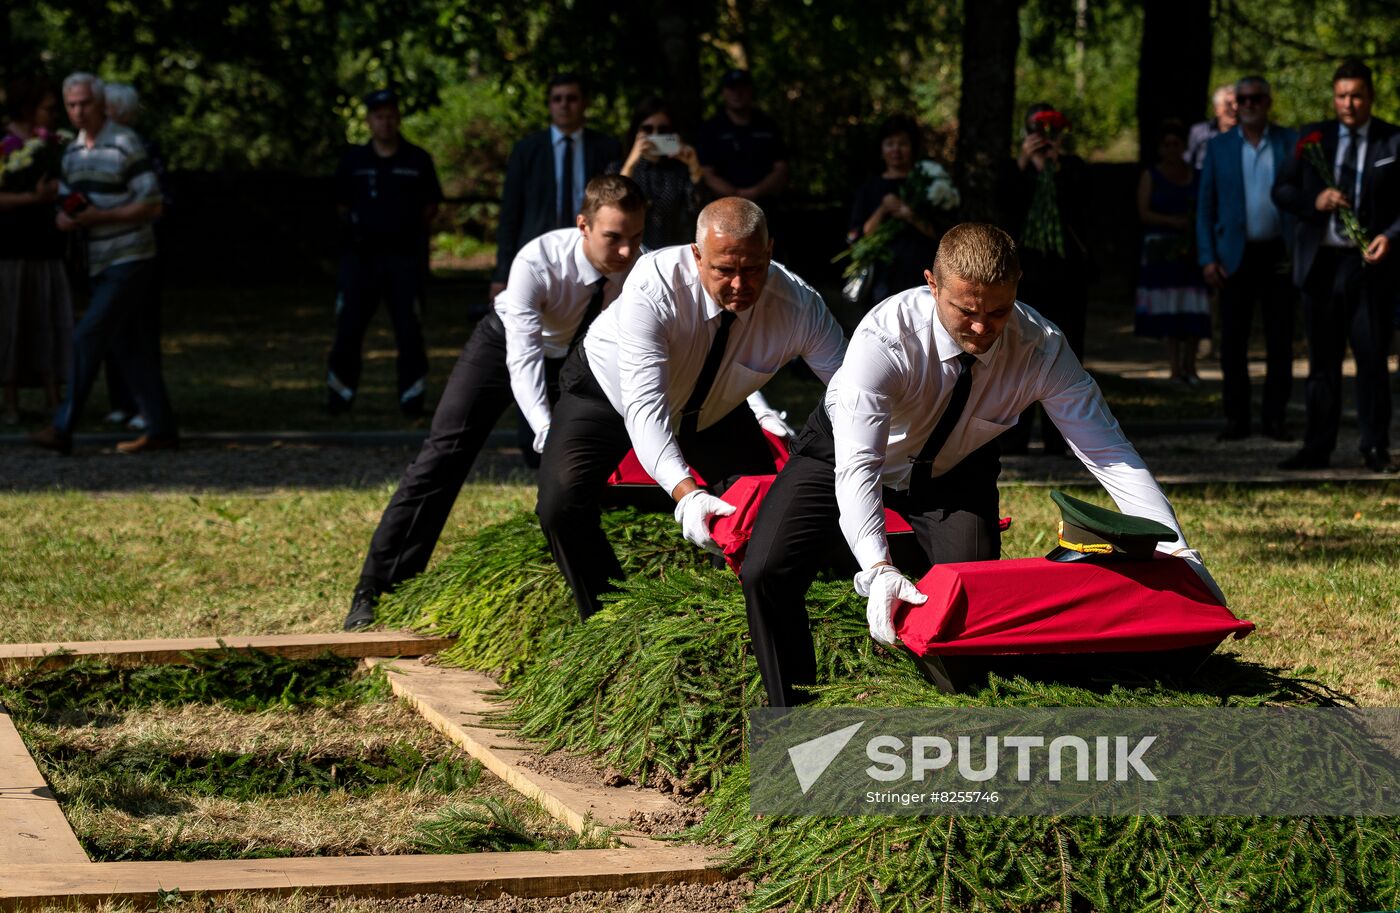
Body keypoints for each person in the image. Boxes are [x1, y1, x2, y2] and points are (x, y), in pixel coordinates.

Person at [738, 223, 1222, 708]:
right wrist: (879, 567)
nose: (982, 327)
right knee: (766, 569)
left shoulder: (1042, 347)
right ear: (932, 283)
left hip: (956, 468)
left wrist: (1178, 551)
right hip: (845, 448)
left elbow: (1108, 453)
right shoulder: (885, 339)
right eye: (965, 310)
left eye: (998, 311)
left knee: (973, 600)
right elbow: (859, 465)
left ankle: (951, 718)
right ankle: (792, 713)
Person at [343, 176, 648, 630]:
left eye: (636, 238)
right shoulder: (538, 261)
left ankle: (601, 589)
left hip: (577, 354)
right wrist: (545, 427)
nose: (626, 253)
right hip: (503, 345)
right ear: (583, 226)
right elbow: (522, 358)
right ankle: (376, 590)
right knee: (442, 457)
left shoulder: (641, 267)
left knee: (585, 465)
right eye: (614, 238)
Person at [536, 197, 845, 620]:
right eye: (724, 270)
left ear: (770, 252)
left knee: (757, 506)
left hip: (715, 407)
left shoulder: (800, 306)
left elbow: (853, 392)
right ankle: (609, 616)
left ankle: (727, 615)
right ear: (697, 255)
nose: (740, 284)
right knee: (560, 504)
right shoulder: (654, 283)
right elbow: (645, 407)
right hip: (608, 391)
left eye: (753, 268)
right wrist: (687, 493)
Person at [31, 72, 175, 456]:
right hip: (98, 261)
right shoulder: (74, 151)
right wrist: (66, 217)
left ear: (100, 104)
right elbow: (68, 199)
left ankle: (63, 426)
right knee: (130, 347)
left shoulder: (125, 144)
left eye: (85, 103)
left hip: (130, 257)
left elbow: (152, 204)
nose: (78, 111)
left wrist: (100, 218)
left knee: (86, 336)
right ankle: (161, 428)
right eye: (72, 105)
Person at [1272, 60, 1400, 473]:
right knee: (1322, 362)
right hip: (1321, 265)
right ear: (1334, 97)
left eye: (1357, 95)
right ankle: (1317, 446)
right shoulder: (1313, 138)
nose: (1349, 103)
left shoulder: (1392, 140)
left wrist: (1391, 237)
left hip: (1369, 267)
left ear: (1370, 96)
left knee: (1372, 357)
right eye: (1342, 95)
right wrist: (1316, 202)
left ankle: (1374, 446)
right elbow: (1282, 189)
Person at [326, 88, 442, 417]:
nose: (385, 122)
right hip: (360, 259)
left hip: (404, 260)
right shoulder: (354, 162)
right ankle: (340, 394)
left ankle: (412, 396)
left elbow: (431, 205)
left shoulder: (417, 160)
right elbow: (341, 203)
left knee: (408, 329)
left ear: (398, 118)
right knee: (348, 327)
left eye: (391, 115)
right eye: (379, 116)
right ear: (369, 121)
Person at [1196, 76, 1297, 442]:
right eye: (1243, 99)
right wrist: (1207, 257)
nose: (1249, 104)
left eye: (1256, 98)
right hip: (1233, 257)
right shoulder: (1219, 146)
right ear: (1235, 104)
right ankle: (1236, 419)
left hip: (1278, 253)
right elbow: (1204, 207)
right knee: (1233, 343)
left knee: (1280, 340)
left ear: (1268, 102)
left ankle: (1276, 419)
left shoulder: (1290, 141)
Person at [999, 103, 1092, 456]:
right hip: (1024, 275)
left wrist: (1055, 165)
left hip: (1066, 275)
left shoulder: (1072, 168)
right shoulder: (1013, 169)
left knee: (1065, 352)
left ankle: (1061, 438)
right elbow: (1004, 204)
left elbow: (1083, 205)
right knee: (1017, 351)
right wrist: (1026, 165)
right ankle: (1014, 437)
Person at [490, 73, 621, 302]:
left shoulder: (606, 148)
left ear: (584, 103)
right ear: (550, 104)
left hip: (590, 253)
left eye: (571, 98)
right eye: (557, 99)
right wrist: (502, 273)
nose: (564, 105)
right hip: (537, 253)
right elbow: (510, 213)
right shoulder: (527, 150)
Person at [0, 76, 72, 425]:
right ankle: (10, 400)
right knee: (11, 322)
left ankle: (53, 396)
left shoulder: (54, 145)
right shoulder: (4, 145)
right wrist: (33, 198)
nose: (54, 113)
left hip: (47, 247)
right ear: (29, 108)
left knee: (48, 320)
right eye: (48, 107)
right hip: (11, 249)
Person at [99, 82, 169, 433]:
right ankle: (121, 402)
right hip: (107, 252)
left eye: (106, 109)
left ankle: (146, 406)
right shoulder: (95, 148)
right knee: (113, 327)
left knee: (141, 328)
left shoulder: (140, 148)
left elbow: (156, 203)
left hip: (138, 251)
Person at [1135, 120, 1210, 386]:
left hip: (1191, 248)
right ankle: (1175, 366)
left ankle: (1191, 365)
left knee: (1192, 305)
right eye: (1166, 144)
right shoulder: (1151, 175)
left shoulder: (1197, 175)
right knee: (1169, 306)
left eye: (1176, 144)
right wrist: (1172, 222)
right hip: (1161, 249)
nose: (1171, 149)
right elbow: (1143, 212)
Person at [847, 115, 942, 305]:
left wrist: (911, 216)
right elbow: (855, 237)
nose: (896, 150)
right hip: (881, 279)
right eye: (890, 144)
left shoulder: (930, 186)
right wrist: (883, 209)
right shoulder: (869, 188)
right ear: (881, 150)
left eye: (903, 144)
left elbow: (942, 234)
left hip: (923, 276)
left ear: (913, 148)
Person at [608, 96, 706, 248]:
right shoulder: (618, 167)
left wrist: (694, 166)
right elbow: (611, 207)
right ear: (636, 131)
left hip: (672, 253)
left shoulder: (680, 171)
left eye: (663, 130)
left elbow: (699, 211)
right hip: (631, 253)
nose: (655, 135)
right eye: (647, 129)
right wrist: (631, 163)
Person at [696, 70, 790, 204]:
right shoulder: (711, 129)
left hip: (767, 205)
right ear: (723, 92)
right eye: (732, 88)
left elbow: (781, 168)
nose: (737, 93)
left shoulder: (768, 125)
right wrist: (735, 195)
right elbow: (706, 172)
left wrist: (756, 192)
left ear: (751, 90)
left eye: (742, 88)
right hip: (723, 208)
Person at [1186, 85, 1238, 171]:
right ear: (1216, 109)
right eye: (1228, 104)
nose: (1235, 108)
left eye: (1237, 103)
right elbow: (1188, 162)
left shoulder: (1246, 134)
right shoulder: (1199, 132)